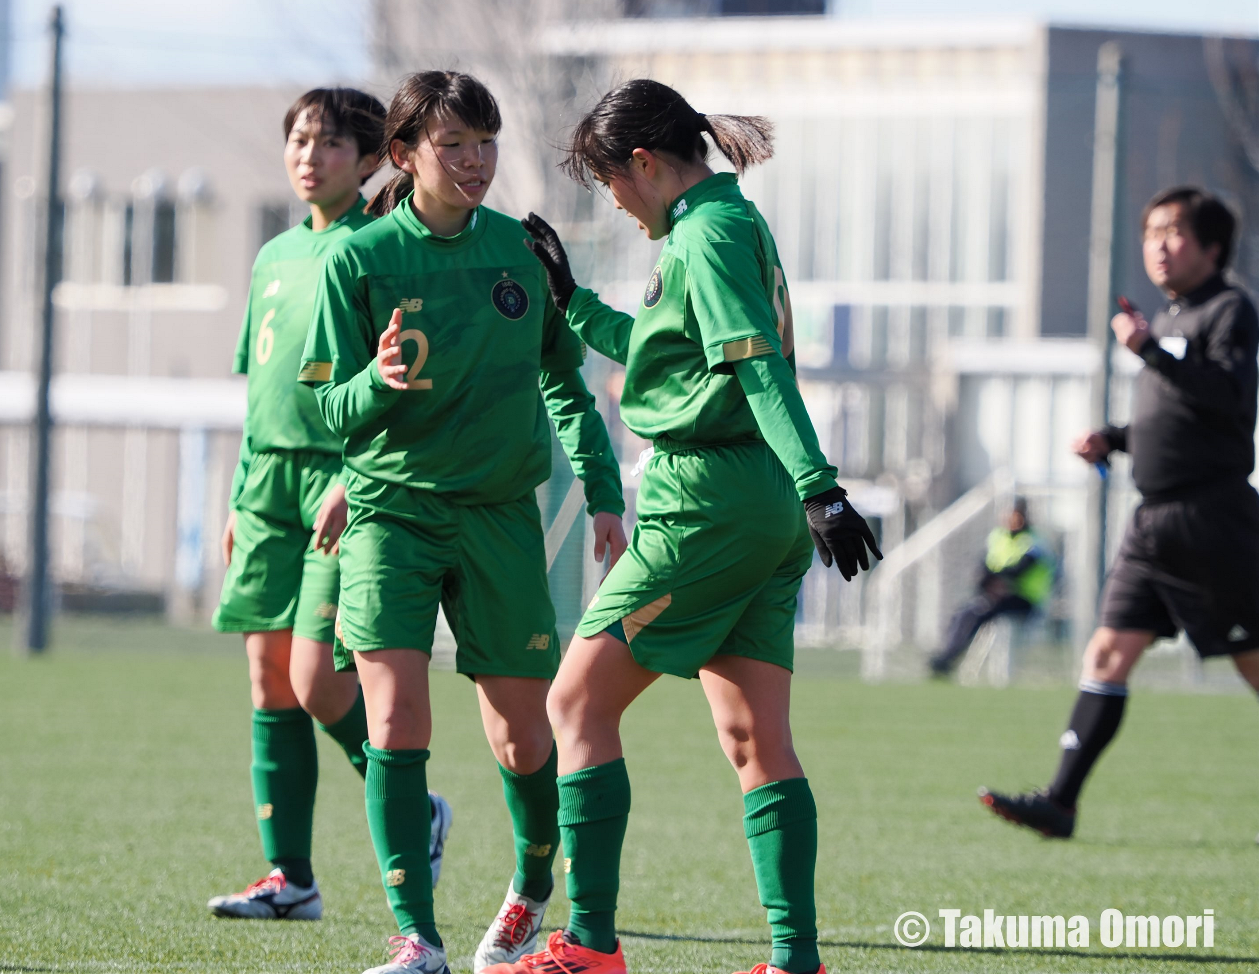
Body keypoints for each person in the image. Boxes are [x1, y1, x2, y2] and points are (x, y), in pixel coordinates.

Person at [484, 79, 881, 974]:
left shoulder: (703, 236)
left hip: (708, 504)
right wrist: (573, 301)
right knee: (755, 741)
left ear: (644, 163)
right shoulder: (723, 223)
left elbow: (755, 367)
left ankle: (587, 946)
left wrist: (824, 487)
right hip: (760, 508)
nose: (615, 204)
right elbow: (673, 356)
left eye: (610, 183)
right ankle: (795, 960)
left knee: (575, 704)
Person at [298, 70, 628, 974]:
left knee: (523, 735)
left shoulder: (520, 253)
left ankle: (529, 891)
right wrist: (378, 381)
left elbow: (566, 379)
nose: (477, 162)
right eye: (455, 146)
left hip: (498, 519)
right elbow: (327, 409)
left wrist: (602, 489)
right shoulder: (355, 260)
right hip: (390, 516)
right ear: (405, 154)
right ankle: (419, 936)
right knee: (395, 718)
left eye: (487, 143)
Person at [207, 87, 452, 922]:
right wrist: (240, 495)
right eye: (300, 140)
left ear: (372, 158)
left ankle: (416, 811)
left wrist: (357, 473)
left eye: (331, 143)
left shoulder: (379, 249)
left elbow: (393, 385)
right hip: (269, 484)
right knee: (267, 679)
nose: (310, 156)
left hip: (342, 477)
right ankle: (291, 879)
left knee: (316, 677)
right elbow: (260, 390)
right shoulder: (273, 257)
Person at [981, 186, 1259, 839]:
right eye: (1152, 231)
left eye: (1176, 232)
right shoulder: (1164, 321)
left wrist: (1149, 351)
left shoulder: (1229, 310)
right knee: (1106, 652)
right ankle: (1060, 802)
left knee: (1254, 665)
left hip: (1212, 517)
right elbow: (1178, 420)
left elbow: (1229, 401)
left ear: (1212, 246)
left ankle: (1060, 800)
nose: (1159, 245)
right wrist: (1116, 438)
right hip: (1153, 522)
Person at [929, 497, 1054, 677]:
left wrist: (998, 581)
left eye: (1016, 515)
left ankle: (948, 659)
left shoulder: (1033, 541)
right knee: (964, 612)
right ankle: (946, 655)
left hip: (1025, 598)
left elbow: (1019, 571)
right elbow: (985, 567)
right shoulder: (998, 537)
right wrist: (984, 581)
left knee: (980, 609)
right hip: (998, 596)